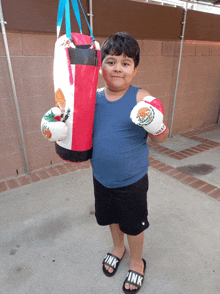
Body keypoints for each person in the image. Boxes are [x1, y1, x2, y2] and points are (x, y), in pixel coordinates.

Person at [90, 32, 169, 293]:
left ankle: (136, 261)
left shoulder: (141, 98)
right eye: (111, 61)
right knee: (112, 218)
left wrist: (155, 124)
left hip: (132, 181)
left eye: (125, 63)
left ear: (135, 70)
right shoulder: (94, 98)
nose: (117, 69)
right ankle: (117, 247)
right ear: (101, 66)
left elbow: (162, 138)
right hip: (101, 177)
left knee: (133, 225)